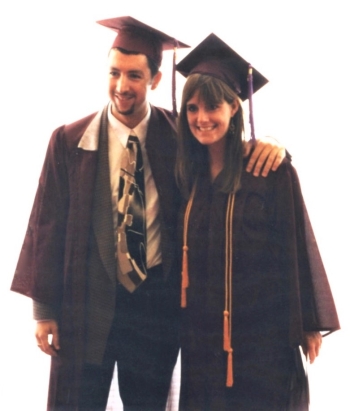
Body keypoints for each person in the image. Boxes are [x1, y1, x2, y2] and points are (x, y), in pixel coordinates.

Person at [11, 17, 286, 411]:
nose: (122, 86)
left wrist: (272, 144)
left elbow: (224, 148)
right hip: (87, 304)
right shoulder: (70, 141)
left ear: (155, 80)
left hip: (155, 307)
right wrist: (43, 311)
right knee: (77, 402)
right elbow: (46, 224)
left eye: (135, 76)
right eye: (115, 73)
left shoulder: (179, 136)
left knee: (148, 404)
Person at [175, 33, 340, 411]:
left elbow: (296, 245)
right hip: (201, 343)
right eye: (193, 108)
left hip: (262, 342)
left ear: (235, 108)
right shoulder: (186, 177)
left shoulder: (269, 172)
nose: (201, 118)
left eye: (213, 107)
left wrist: (307, 322)